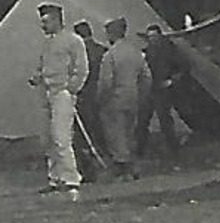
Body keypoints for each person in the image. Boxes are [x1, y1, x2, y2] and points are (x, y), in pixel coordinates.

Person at [28, 2, 89, 196]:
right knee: (48, 139)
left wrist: (71, 89)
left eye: (46, 21)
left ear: (56, 20)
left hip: (62, 93)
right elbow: (41, 66)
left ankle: (72, 179)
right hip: (45, 92)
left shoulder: (73, 40)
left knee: (62, 137)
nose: (43, 25)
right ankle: (55, 178)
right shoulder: (46, 43)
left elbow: (82, 68)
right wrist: (37, 76)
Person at [96, 17, 151, 180]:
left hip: (114, 100)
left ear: (112, 33)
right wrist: (142, 95)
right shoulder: (136, 52)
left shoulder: (110, 55)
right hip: (133, 98)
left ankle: (122, 168)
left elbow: (106, 81)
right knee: (129, 132)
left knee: (116, 134)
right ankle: (133, 166)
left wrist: (101, 99)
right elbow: (147, 77)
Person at [137, 24, 184, 159]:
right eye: (150, 37)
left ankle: (173, 149)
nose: (152, 40)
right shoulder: (146, 52)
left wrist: (172, 80)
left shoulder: (169, 50)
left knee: (165, 120)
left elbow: (184, 66)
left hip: (162, 88)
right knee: (143, 120)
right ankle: (140, 150)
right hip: (149, 89)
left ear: (160, 36)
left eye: (154, 37)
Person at [72, 20, 108, 179]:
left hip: (83, 98)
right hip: (102, 96)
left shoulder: (77, 54)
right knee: (101, 132)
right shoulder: (103, 50)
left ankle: (88, 170)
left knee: (81, 137)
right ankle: (108, 164)